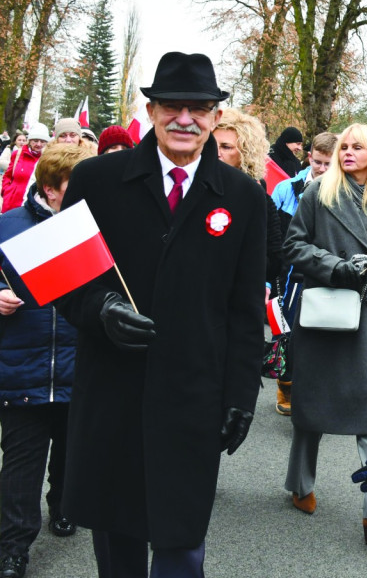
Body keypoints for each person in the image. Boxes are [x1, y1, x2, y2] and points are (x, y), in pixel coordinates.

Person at [55, 51, 267, 578]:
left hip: (193, 399)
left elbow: (244, 311)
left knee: (181, 546)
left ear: (217, 117)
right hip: (113, 394)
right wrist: (101, 308)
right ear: (150, 111)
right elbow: (65, 284)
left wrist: (242, 395)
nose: (185, 119)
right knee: (118, 545)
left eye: (199, 108)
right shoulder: (97, 181)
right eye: (172, 105)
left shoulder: (243, 196)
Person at [282, 123, 367, 544]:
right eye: (344, 147)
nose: (348, 152)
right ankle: (300, 485)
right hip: (327, 316)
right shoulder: (318, 193)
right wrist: (337, 266)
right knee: (311, 412)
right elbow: (293, 246)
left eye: (357, 146)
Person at [0, 143, 92, 578]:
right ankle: (14, 548)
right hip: (21, 370)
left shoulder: (96, 229)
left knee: (71, 453)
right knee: (20, 466)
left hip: (80, 366)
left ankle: (63, 506)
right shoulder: (8, 227)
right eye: (77, 187)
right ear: (51, 188)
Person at [270, 131, 338, 417]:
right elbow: (272, 233)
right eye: (318, 162)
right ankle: (286, 386)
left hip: (325, 271)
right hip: (290, 273)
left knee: (324, 332)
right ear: (309, 156)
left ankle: (318, 393)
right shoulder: (287, 188)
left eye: (327, 165)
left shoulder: (342, 193)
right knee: (288, 332)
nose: (322, 169)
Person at [214, 108, 284, 293]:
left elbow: (274, 261)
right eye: (210, 145)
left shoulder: (259, 198)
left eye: (226, 147)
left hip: (237, 297)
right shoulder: (189, 190)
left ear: (245, 153)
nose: (216, 153)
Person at [1, 125, 48, 214]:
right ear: (29, 141)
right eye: (35, 141)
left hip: (32, 205)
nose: (38, 144)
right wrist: (6, 191)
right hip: (11, 203)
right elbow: (7, 175)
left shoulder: (47, 159)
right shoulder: (18, 154)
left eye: (42, 141)